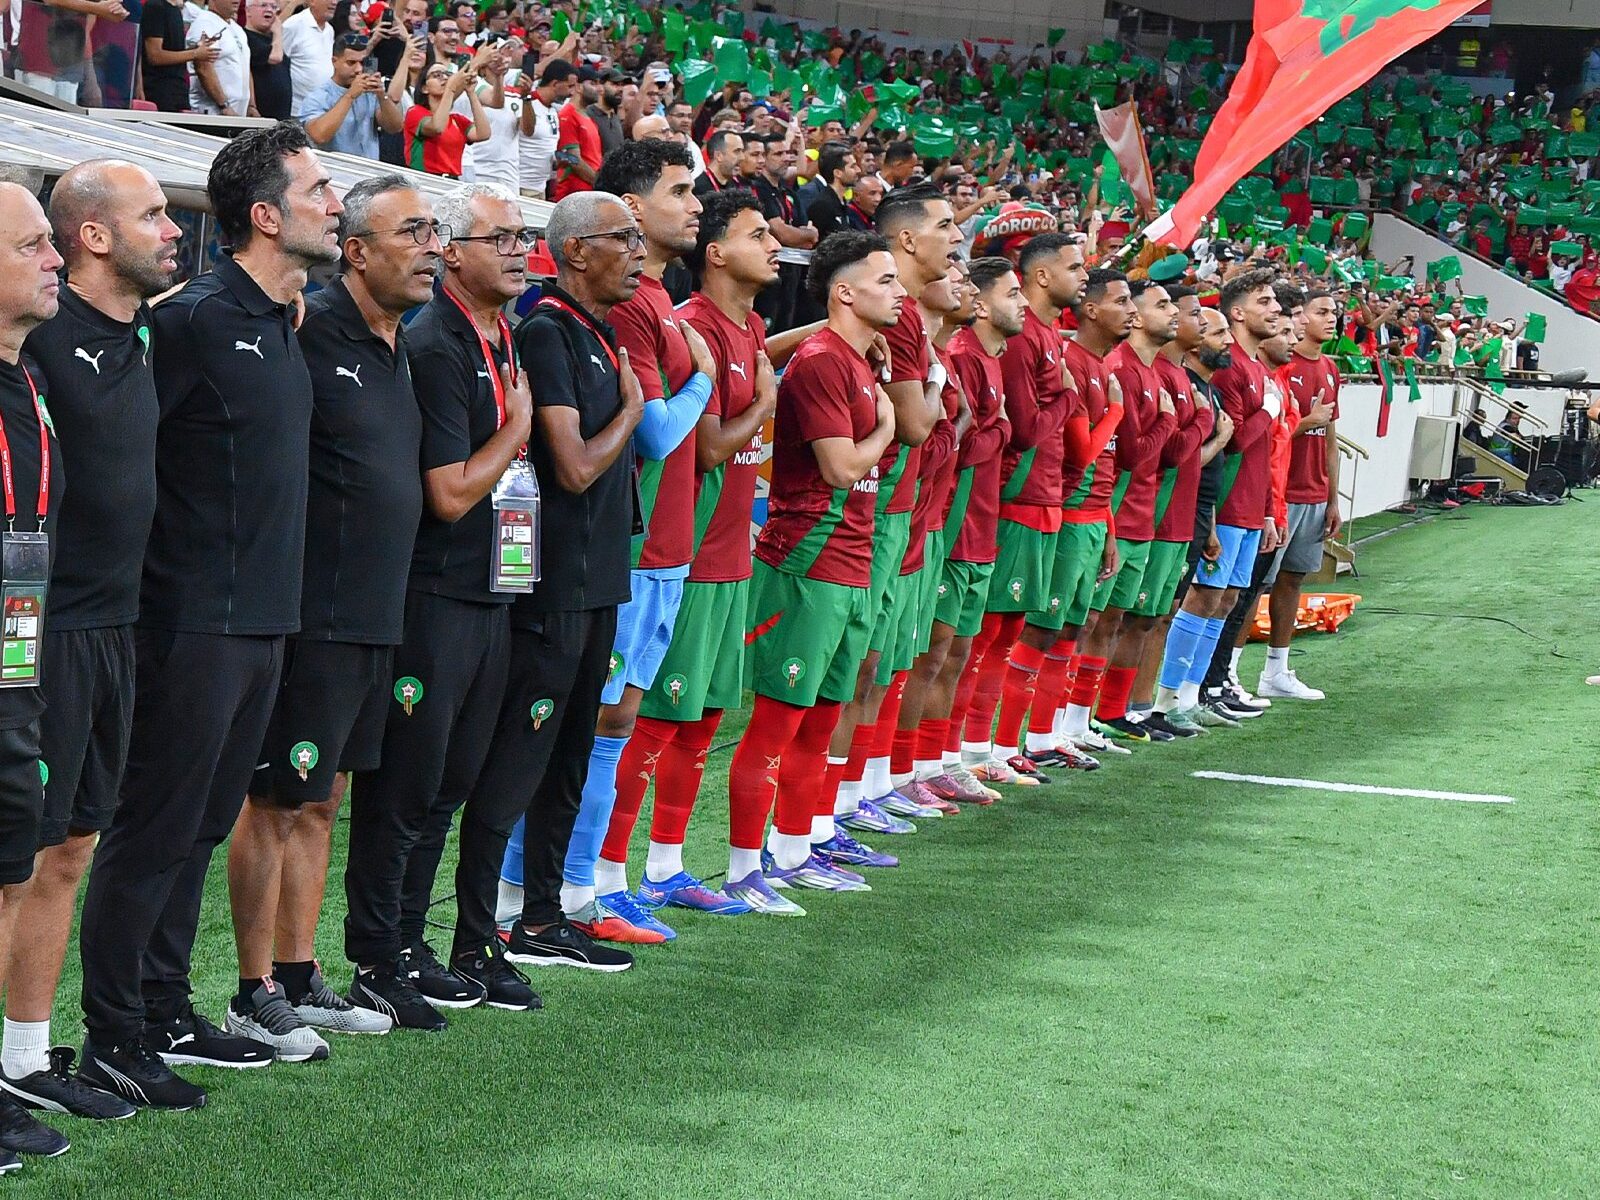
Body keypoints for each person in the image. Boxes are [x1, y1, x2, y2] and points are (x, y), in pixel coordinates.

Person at [76, 122, 340, 1110]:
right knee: (153, 829)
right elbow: (126, 454)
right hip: (189, 620)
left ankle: (165, 1008)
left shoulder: (284, 316)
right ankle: (113, 1034)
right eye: (315, 190)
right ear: (265, 215)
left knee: (196, 833)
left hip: (267, 620)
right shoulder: (189, 319)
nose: (332, 204)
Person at [225, 175, 441, 1057]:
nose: (433, 246)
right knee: (274, 800)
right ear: (355, 250)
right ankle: (250, 989)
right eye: (411, 232)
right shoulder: (311, 332)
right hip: (311, 611)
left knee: (323, 800)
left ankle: (301, 970)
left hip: (377, 614)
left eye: (435, 230)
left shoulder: (402, 344)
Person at [0, 162, 177, 1129]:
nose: (170, 229)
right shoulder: (42, 339)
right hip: (45, 632)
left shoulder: (145, 330)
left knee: (71, 849)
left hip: (116, 626)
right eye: (153, 215)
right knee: (18, 859)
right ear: (94, 235)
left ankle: (27, 1057)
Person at [341, 181, 535, 1026]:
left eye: (525, 236)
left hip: (493, 591)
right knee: (407, 786)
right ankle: (378, 956)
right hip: (436, 594)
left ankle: (412, 944)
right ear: (453, 253)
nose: (521, 252)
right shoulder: (437, 345)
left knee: (450, 782)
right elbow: (451, 495)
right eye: (502, 238)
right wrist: (516, 433)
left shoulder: (505, 337)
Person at [521, 138, 717, 944]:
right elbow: (654, 432)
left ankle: (582, 890)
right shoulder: (620, 309)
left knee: (610, 724)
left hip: (663, 543)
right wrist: (701, 380)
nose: (695, 206)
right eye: (680, 191)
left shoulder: (653, 302)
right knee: (589, 726)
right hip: (622, 553)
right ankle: (555, 895)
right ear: (627, 212)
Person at [452, 192, 643, 973]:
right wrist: (632, 410)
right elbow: (571, 465)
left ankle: (541, 917)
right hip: (552, 588)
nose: (637, 251)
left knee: (569, 758)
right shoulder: (547, 330)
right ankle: (478, 932)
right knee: (519, 764)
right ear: (574, 255)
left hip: (599, 584)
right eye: (620, 238)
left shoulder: (597, 330)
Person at [598, 190, 786, 914]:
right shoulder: (692, 325)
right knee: (648, 722)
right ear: (716, 253)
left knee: (702, 719)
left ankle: (667, 868)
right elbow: (703, 446)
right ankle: (611, 873)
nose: (773, 244)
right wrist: (764, 404)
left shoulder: (750, 326)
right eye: (757, 234)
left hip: (731, 552)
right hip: (691, 552)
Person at [725, 232, 900, 895]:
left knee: (824, 716)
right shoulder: (826, 361)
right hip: (809, 560)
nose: (899, 292)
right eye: (885, 281)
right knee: (779, 722)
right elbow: (841, 467)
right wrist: (884, 426)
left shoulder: (854, 358)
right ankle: (746, 868)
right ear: (846, 292)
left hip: (850, 561)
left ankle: (796, 850)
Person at [826, 184, 960, 833]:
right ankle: (819, 817)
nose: (957, 240)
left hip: (905, 514)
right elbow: (913, 424)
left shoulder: (906, 320)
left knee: (884, 663)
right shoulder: (899, 320)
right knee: (858, 666)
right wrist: (933, 386)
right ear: (907, 238)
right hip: (873, 517)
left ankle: (856, 796)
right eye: (946, 226)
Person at [0, 182, 68, 1167]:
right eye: (32, 244)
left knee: (12, 867)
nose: (53, 258)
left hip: (21, 658)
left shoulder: (26, 378)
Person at [1150, 269, 1281, 730]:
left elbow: (1260, 453)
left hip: (1245, 508)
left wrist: (1267, 509)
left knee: (1224, 600)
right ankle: (1170, 697)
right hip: (1220, 507)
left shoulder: (1252, 369)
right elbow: (1236, 442)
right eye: (1266, 302)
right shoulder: (1229, 374)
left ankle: (1191, 693)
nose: (1277, 312)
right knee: (1200, 599)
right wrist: (1267, 411)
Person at [980, 232, 1091, 777]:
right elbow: (1025, 430)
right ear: (1042, 275)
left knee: (1013, 629)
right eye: (1075, 266)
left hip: (1045, 500)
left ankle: (996, 748)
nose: (1084, 276)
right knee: (992, 633)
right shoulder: (1025, 340)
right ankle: (978, 751)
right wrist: (1069, 395)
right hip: (1018, 499)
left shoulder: (1043, 334)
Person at [1079, 280, 1178, 744]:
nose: (1174, 312)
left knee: (1115, 620)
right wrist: (1170, 421)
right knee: (1088, 623)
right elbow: (1132, 457)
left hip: (1140, 518)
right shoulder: (1122, 369)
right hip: (1114, 515)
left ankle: (1106, 714)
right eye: (1162, 305)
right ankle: (1067, 722)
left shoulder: (1149, 371)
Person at [1259, 286, 1340, 701]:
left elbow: (1331, 438)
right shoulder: (1280, 369)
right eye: (1322, 311)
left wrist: (1333, 498)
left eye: (1334, 312)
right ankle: (1228, 674)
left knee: (1293, 582)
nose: (1332, 319)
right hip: (1278, 492)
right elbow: (1271, 436)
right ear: (1300, 316)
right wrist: (1308, 421)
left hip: (1312, 493)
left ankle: (1276, 670)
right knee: (1256, 586)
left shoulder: (1329, 367)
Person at [301, 32, 412, 159]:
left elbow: (395, 127)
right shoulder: (318, 97)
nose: (358, 69)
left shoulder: (370, 94)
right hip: (335, 172)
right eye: (351, 62)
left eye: (362, 62)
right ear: (334, 61)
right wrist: (350, 96)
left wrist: (382, 96)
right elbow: (319, 135)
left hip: (370, 170)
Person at [404, 55, 492, 178]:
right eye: (437, 75)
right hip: (424, 179)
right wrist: (451, 88)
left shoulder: (457, 120)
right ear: (424, 88)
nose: (444, 78)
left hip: (452, 182)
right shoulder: (415, 112)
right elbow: (437, 127)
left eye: (447, 74)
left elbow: (483, 134)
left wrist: (471, 93)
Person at [140, 0, 219, 112]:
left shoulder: (176, 10)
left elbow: (173, 50)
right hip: (160, 90)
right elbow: (154, 56)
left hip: (179, 90)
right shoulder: (155, 7)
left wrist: (198, 49)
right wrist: (195, 53)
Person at [517, 58, 575, 201]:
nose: (572, 92)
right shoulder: (524, 103)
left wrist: (559, 160)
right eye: (570, 86)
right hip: (520, 186)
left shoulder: (552, 110)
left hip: (540, 187)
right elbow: (528, 130)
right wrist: (526, 99)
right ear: (555, 84)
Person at [187, 0, 252, 116]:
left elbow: (245, 67)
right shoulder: (204, 23)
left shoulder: (237, 28)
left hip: (239, 112)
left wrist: (251, 106)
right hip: (214, 112)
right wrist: (224, 105)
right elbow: (203, 68)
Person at [551, 65, 605, 200]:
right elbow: (573, 159)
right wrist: (599, 183)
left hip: (588, 192)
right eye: (593, 83)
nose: (599, 89)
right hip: (573, 194)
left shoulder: (588, 117)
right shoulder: (567, 115)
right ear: (578, 87)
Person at [281, 0, 336, 116]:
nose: (334, 2)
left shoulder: (330, 30)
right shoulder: (293, 25)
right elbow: (279, 63)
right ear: (312, 1)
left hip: (324, 109)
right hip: (298, 111)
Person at [245, 0, 292, 120]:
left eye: (273, 7)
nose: (269, 10)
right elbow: (275, 57)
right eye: (263, 5)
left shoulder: (272, 41)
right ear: (248, 11)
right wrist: (277, 32)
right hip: (260, 116)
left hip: (281, 118)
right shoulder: (246, 37)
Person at [586, 68, 627, 157]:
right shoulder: (588, 115)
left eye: (622, 85)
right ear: (600, 87)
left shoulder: (614, 116)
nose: (621, 89)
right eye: (615, 84)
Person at [693, 130, 743, 197]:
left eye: (742, 151)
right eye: (737, 151)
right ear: (718, 156)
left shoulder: (735, 184)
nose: (742, 157)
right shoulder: (699, 189)